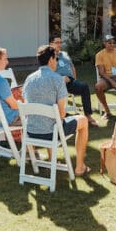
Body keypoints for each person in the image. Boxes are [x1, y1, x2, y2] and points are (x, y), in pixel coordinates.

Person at [22, 44, 90, 175]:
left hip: (30, 131)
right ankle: (80, 167)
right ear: (51, 60)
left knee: (51, 120)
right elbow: (62, 113)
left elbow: (27, 105)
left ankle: (53, 161)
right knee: (83, 120)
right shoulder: (57, 80)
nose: (57, 62)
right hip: (50, 132)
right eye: (56, 59)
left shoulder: (29, 79)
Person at [49, 36, 99, 125]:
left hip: (70, 81)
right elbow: (48, 72)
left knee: (84, 86)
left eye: (60, 42)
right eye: (57, 42)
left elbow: (72, 67)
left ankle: (88, 116)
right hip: (57, 82)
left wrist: (74, 79)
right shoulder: (49, 56)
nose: (59, 44)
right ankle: (60, 116)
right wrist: (61, 79)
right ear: (51, 44)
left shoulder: (64, 54)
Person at [94, 35, 116, 117]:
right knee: (98, 87)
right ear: (104, 43)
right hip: (107, 78)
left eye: (113, 43)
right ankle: (107, 111)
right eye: (109, 43)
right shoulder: (99, 55)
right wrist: (111, 82)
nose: (112, 44)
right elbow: (101, 73)